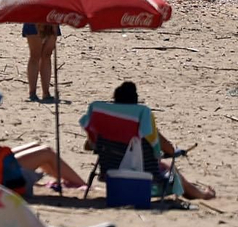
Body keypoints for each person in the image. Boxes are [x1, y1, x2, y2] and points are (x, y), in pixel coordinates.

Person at [81, 82, 216, 199]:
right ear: (135, 102)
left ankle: (199, 194)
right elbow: (169, 150)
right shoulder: (142, 122)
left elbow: (89, 146)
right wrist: (174, 151)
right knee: (170, 168)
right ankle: (202, 195)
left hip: (111, 172)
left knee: (166, 167)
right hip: (143, 174)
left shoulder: (104, 126)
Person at [22, 0, 62, 102]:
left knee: (47, 54)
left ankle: (46, 92)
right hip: (34, 16)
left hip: (51, 18)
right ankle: (32, 92)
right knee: (35, 55)